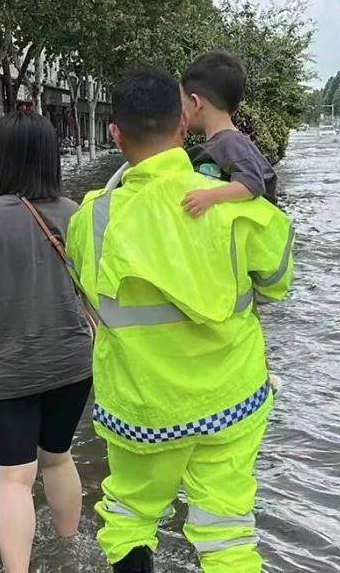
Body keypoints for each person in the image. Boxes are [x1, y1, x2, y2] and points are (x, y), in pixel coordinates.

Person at [66, 69, 295, 573]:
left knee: (128, 518)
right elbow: (278, 280)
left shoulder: (93, 217)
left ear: (115, 133)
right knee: (228, 533)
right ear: (183, 124)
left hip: (140, 406)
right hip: (231, 399)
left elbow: (85, 291)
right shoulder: (236, 206)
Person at [0, 112, 92, 573]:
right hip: (73, 364)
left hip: (10, 368)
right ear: (51, 158)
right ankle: (69, 554)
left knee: (14, 479)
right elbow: (94, 293)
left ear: (1, 158)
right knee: (58, 458)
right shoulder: (77, 215)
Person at [180, 52, 278, 218]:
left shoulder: (230, 142)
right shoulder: (223, 142)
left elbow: (252, 182)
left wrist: (209, 197)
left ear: (196, 103)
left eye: (182, 105)